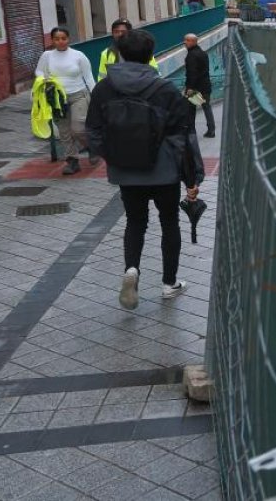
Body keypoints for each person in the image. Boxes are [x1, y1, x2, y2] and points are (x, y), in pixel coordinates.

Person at [86, 29, 205, 308]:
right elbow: (183, 137)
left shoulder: (104, 88)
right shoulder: (164, 89)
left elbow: (92, 131)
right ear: (151, 55)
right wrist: (192, 177)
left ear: (119, 53)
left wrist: (115, 154)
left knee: (135, 222)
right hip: (163, 170)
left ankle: (132, 270)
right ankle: (169, 283)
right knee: (169, 222)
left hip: (127, 171)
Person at [35, 27, 96, 175]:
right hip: (56, 98)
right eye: (57, 39)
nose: (60, 42)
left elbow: (88, 76)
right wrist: (44, 79)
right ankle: (72, 161)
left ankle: (92, 147)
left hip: (78, 95)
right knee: (64, 131)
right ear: (52, 40)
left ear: (68, 39)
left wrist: (95, 95)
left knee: (78, 128)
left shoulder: (78, 55)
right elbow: (39, 71)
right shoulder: (47, 56)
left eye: (63, 38)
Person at [183, 33, 215, 138]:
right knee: (206, 107)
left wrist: (190, 88)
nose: (184, 42)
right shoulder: (203, 53)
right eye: (185, 40)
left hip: (195, 89)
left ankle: (191, 131)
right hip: (205, 86)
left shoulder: (191, 55)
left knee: (190, 109)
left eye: (187, 40)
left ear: (194, 41)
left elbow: (192, 73)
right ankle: (211, 130)